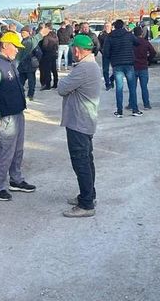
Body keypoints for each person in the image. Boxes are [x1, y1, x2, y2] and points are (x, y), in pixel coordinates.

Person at [0, 31, 37, 201]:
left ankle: (15, 180)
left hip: (17, 113)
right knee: (5, 151)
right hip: (6, 117)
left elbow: (26, 49)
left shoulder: (9, 62)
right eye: (15, 47)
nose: (17, 51)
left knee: (17, 150)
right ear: (6, 46)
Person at [57, 34, 103, 218]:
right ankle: (88, 195)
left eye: (72, 49)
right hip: (84, 120)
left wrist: (65, 81)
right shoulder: (89, 66)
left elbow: (61, 88)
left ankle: (86, 204)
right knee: (86, 159)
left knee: (81, 161)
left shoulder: (84, 68)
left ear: (77, 49)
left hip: (79, 122)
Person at [102, 19, 142, 118]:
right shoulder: (128, 35)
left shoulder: (110, 36)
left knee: (119, 88)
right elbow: (137, 42)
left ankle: (119, 111)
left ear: (114, 26)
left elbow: (106, 52)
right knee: (132, 88)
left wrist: (107, 70)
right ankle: (135, 109)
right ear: (123, 26)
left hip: (117, 65)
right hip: (129, 64)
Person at [16, 25, 42, 101]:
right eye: (21, 32)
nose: (22, 34)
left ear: (29, 33)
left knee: (31, 83)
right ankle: (20, 95)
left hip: (30, 66)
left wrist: (35, 61)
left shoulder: (31, 42)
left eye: (24, 32)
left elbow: (39, 53)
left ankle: (30, 95)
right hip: (22, 66)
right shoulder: (22, 41)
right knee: (20, 82)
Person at [132, 26, 154, 110]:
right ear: (141, 33)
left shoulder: (132, 42)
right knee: (144, 87)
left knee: (133, 87)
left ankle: (132, 104)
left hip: (133, 66)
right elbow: (153, 52)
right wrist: (149, 60)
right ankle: (146, 104)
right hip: (143, 66)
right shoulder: (145, 42)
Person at [39, 23, 60, 90]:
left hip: (47, 55)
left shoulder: (46, 36)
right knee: (54, 69)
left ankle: (47, 85)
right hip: (54, 54)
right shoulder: (55, 35)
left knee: (47, 70)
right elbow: (57, 44)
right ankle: (55, 83)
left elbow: (44, 46)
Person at [98, 22, 113, 90]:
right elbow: (99, 44)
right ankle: (107, 83)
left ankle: (111, 79)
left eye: (108, 26)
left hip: (113, 54)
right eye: (106, 26)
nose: (107, 27)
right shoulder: (101, 34)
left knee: (117, 70)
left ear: (111, 26)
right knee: (105, 70)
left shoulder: (114, 33)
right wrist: (102, 51)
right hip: (105, 54)